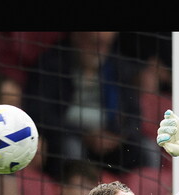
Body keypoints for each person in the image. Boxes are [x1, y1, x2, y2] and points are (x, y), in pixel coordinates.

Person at [23, 32, 148, 179]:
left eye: (104, 45)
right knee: (71, 147)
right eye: (93, 43)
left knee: (147, 148)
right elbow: (40, 113)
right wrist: (84, 134)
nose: (99, 50)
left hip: (110, 139)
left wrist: (118, 136)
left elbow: (134, 114)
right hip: (68, 136)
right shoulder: (52, 63)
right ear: (76, 37)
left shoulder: (118, 68)